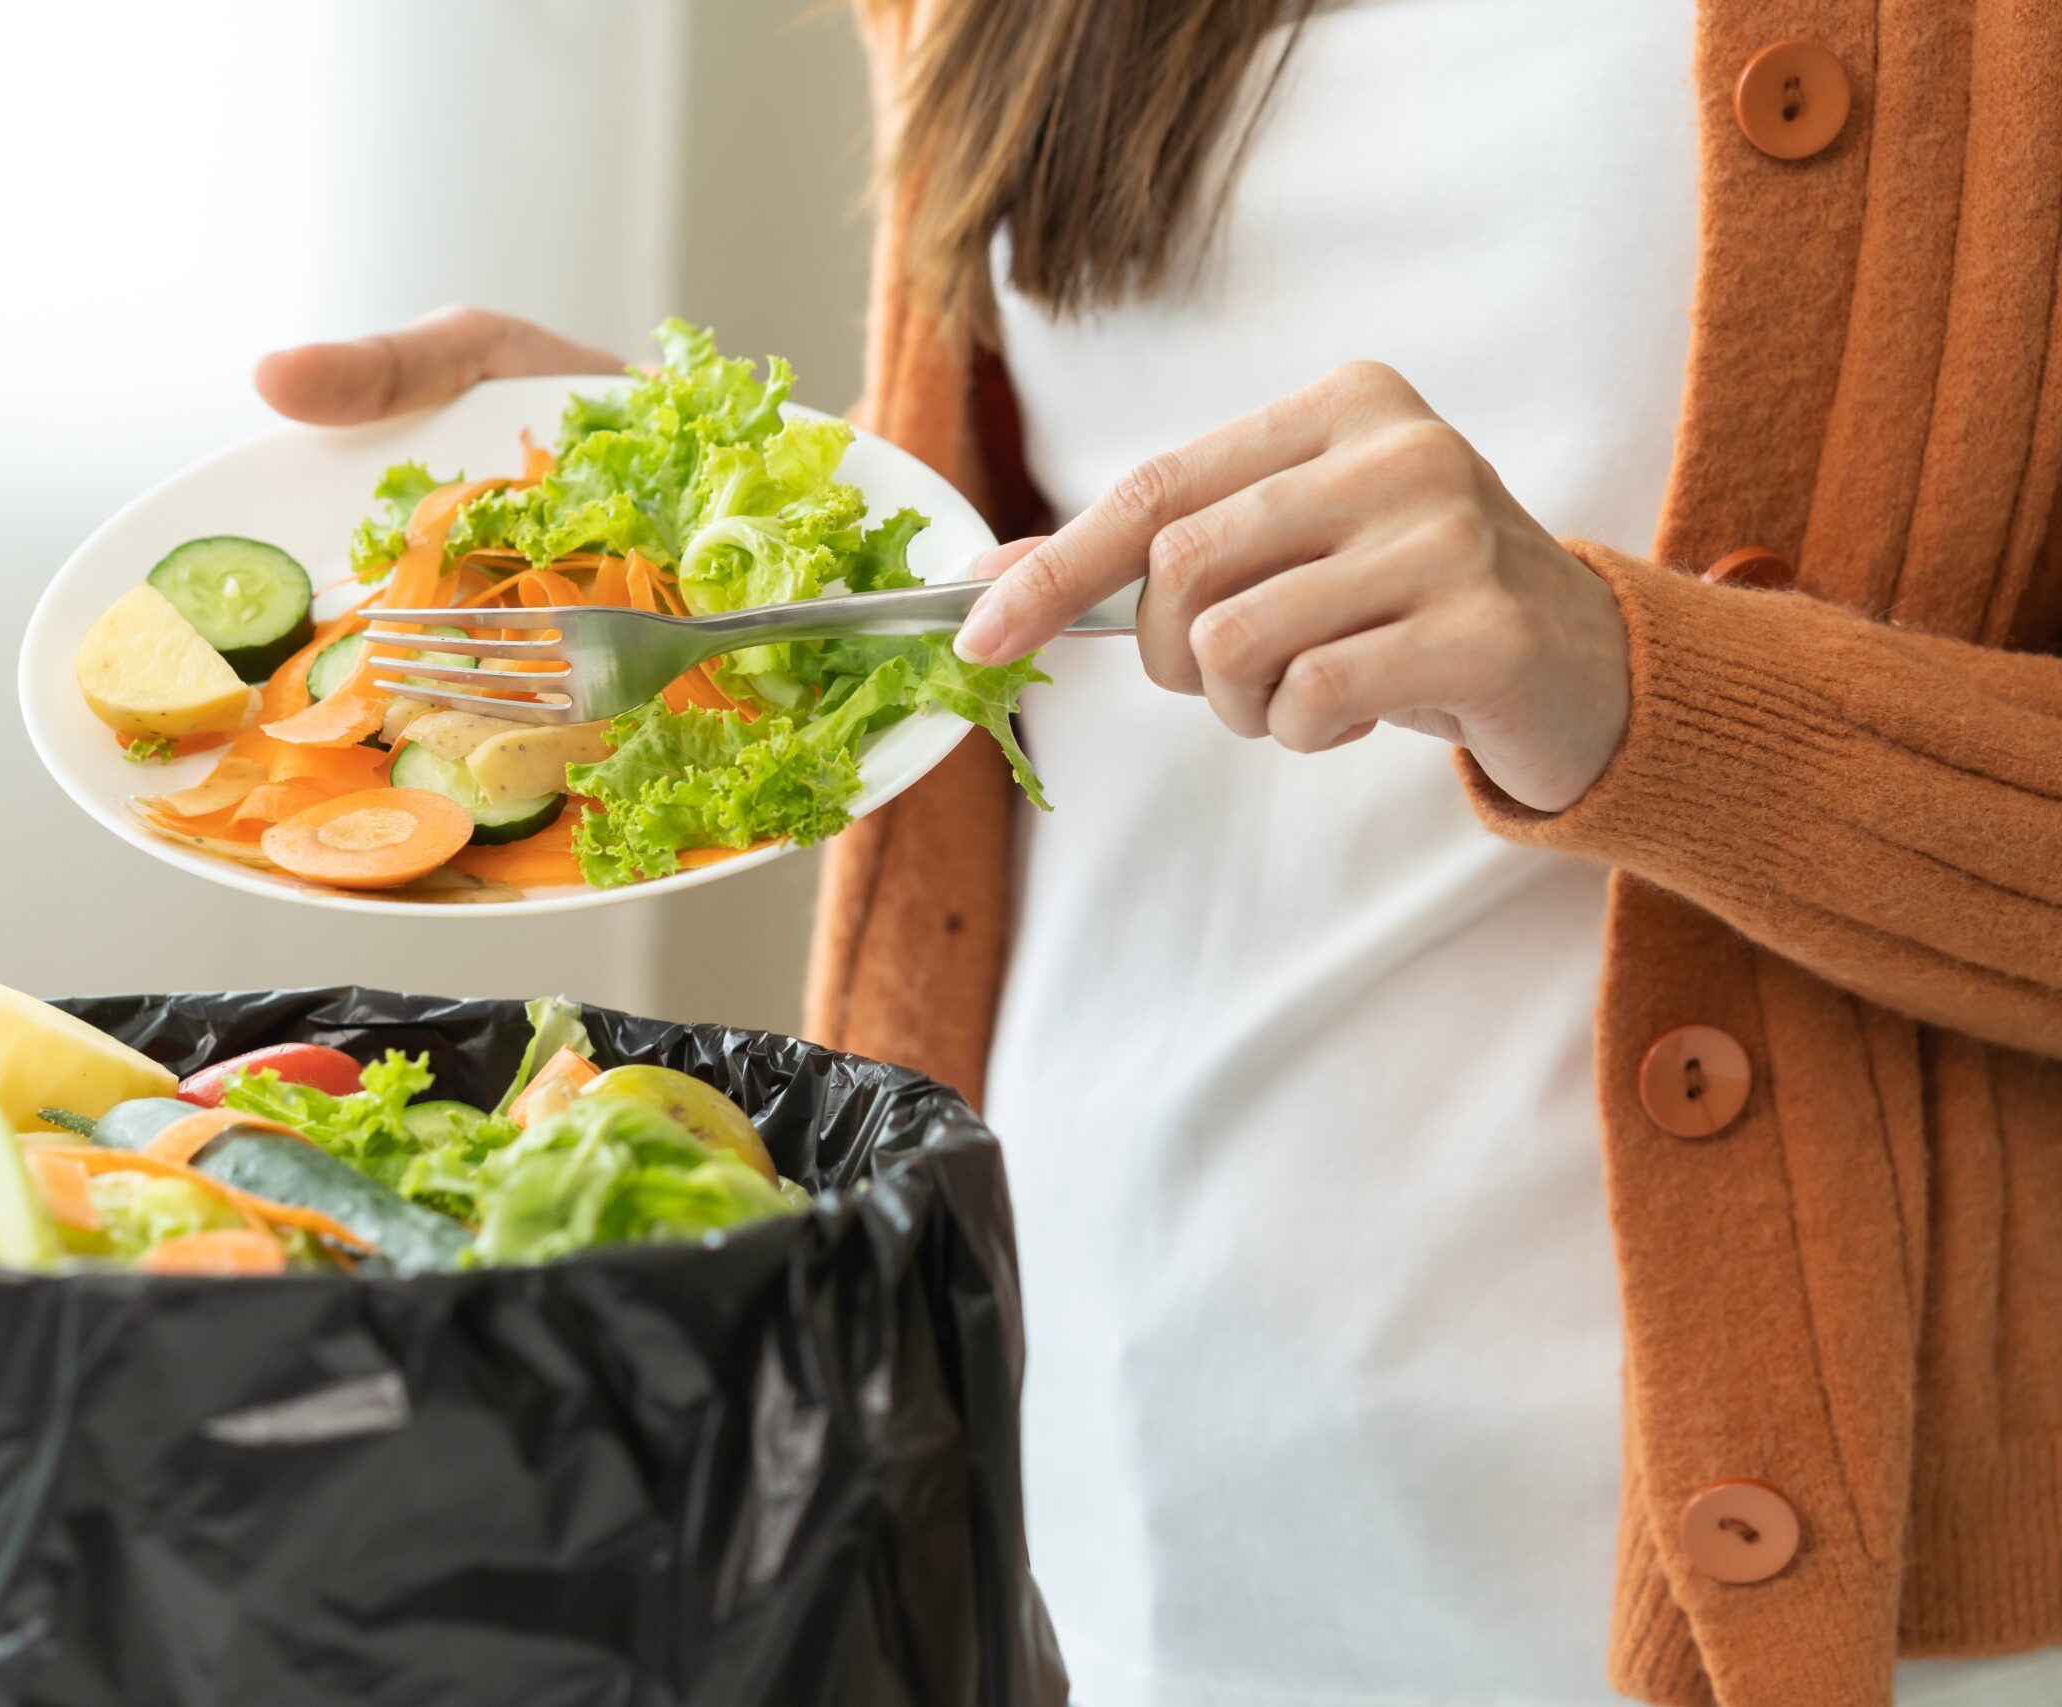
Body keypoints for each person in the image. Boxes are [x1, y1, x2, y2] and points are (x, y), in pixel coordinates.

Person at [254, 3, 2062, 1702]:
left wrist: (1634, 688)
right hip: (1084, 1438)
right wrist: (656, 552)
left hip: (1769, 1573)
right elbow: (1024, 580)